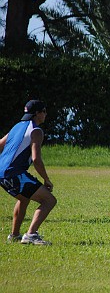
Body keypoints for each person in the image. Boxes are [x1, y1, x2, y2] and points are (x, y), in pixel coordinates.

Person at [0, 100, 57, 245]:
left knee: (24, 198)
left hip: (2, 173)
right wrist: (47, 180)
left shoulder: (17, 127)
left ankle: (14, 235)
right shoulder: (36, 131)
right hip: (14, 173)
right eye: (44, 111)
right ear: (37, 114)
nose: (45, 114)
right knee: (49, 200)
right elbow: (36, 159)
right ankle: (31, 235)